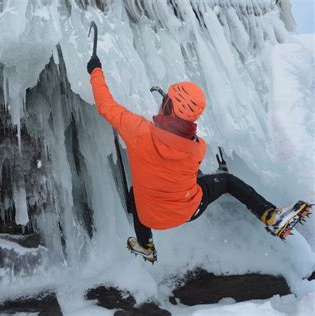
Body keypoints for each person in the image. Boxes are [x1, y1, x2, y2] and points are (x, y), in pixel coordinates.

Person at [86, 55, 312, 263]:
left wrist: (95, 70)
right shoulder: (197, 147)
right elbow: (176, 140)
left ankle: (145, 244)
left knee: (137, 194)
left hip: (149, 216)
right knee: (226, 182)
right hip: (189, 211)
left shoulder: (138, 131)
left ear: (167, 106)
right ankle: (270, 215)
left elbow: (105, 104)